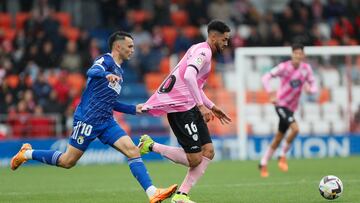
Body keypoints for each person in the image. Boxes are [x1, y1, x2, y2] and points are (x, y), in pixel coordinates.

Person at [10, 31, 177, 203]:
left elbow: (111, 102)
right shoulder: (106, 61)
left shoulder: (120, 72)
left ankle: (152, 193)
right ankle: (27, 153)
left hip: (106, 121)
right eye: (130, 46)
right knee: (68, 161)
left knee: (132, 150)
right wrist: (106, 74)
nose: (132, 50)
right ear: (118, 47)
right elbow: (92, 71)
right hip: (87, 119)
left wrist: (133, 109)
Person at [138, 20, 232, 203]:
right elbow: (189, 76)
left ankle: (181, 195)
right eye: (225, 39)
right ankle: (150, 145)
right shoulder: (203, 52)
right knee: (194, 159)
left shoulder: (200, 49)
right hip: (180, 107)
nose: (226, 43)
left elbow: (195, 84)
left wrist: (212, 106)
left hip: (189, 104)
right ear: (214, 36)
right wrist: (201, 106)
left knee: (208, 151)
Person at [259, 43, 317, 178]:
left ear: (303, 55)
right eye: (295, 53)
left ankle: (263, 163)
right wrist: (270, 93)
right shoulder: (284, 67)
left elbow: (313, 84)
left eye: (300, 53)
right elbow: (265, 77)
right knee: (295, 129)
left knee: (279, 137)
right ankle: (282, 155)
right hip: (281, 104)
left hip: (292, 108)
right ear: (292, 54)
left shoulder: (306, 69)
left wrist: (310, 90)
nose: (297, 55)